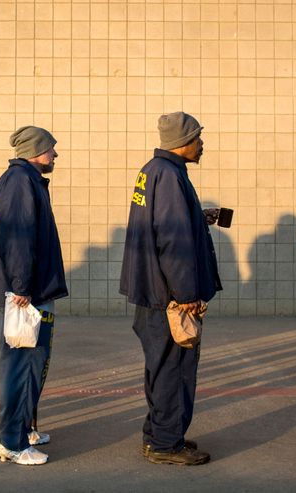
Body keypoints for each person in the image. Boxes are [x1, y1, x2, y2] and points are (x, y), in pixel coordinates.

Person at [120, 112, 222, 466]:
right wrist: (187, 294)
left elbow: (162, 226)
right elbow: (173, 243)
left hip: (153, 292)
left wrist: (197, 215)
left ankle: (160, 434)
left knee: (160, 366)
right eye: (199, 137)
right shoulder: (170, 175)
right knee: (175, 369)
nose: (203, 144)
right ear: (185, 140)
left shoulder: (153, 171)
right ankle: (165, 444)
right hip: (170, 297)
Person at [0, 126, 68, 466]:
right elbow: (18, 240)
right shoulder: (19, 182)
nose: (55, 155)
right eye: (51, 149)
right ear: (35, 150)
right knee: (21, 367)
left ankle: (22, 428)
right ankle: (10, 442)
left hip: (29, 289)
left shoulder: (25, 180)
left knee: (31, 364)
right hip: (25, 293)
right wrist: (21, 286)